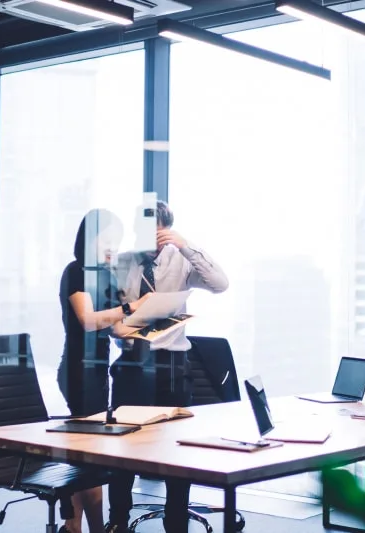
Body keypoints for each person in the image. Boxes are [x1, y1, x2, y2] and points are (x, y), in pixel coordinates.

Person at [104, 200, 229, 533]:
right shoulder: (124, 262)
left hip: (172, 362)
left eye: (155, 228)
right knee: (123, 446)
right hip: (132, 361)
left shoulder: (183, 260)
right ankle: (118, 518)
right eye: (140, 227)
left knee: (176, 448)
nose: (147, 235)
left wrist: (185, 246)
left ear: (166, 228)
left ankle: (176, 521)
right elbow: (111, 312)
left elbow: (220, 284)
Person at [55, 209, 150, 533]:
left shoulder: (106, 275)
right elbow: (88, 319)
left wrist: (153, 324)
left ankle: (72, 525)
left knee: (85, 455)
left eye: (117, 242)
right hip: (77, 372)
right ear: (90, 238)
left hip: (97, 372)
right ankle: (90, 528)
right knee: (91, 457)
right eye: (107, 240)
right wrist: (127, 307)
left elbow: (118, 329)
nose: (113, 247)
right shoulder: (76, 272)